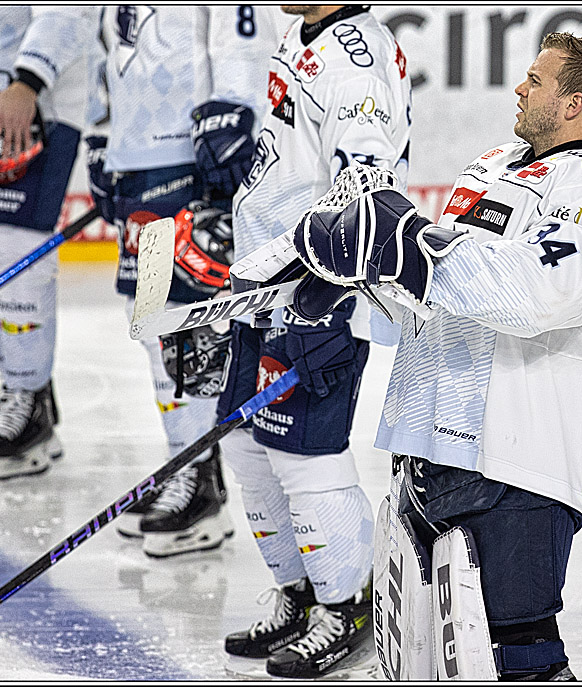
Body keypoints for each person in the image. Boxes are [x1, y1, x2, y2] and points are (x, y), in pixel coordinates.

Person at [289, 32, 582, 680]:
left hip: (516, 465)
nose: (520, 88)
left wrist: (411, 246)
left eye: (536, 80)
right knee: (437, 660)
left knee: (519, 649)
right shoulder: (493, 166)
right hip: (433, 450)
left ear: (573, 105)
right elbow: (442, 292)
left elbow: (538, 294)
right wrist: (353, 299)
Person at [217, 5, 410, 680]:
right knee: (244, 441)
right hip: (262, 282)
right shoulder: (303, 31)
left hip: (314, 290)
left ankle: (345, 607)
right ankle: (300, 595)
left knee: (302, 453)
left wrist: (311, 273)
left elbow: (364, 191)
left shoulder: (357, 61)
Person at [89, 6, 285, 557]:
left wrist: (234, 109)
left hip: (188, 154)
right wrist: (105, 136)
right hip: (142, 162)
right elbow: (118, 51)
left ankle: (199, 480)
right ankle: (187, 462)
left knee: (188, 327)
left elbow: (241, 31)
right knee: (155, 321)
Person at [0, 7, 92, 480]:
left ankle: (27, 402)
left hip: (37, 99)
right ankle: (24, 391)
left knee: (17, 250)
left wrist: (28, 79)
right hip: (1, 91)